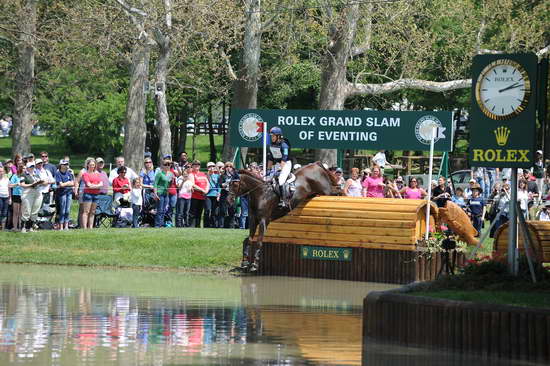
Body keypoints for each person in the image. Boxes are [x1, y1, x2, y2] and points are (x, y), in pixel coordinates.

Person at [20, 161, 43, 233]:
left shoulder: (36, 175)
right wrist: (31, 185)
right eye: (31, 167)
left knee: (35, 210)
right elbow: (22, 184)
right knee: (27, 210)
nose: (32, 168)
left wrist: (41, 182)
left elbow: (40, 183)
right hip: (28, 192)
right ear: (27, 168)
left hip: (37, 192)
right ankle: (23, 228)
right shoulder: (24, 175)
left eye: (33, 166)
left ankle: (31, 227)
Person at [81, 159, 103, 229]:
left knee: (93, 212)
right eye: (90, 165)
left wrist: (93, 186)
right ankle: (84, 228)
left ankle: (90, 227)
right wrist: (97, 186)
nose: (92, 166)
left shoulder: (97, 174)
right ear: (87, 165)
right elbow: (88, 185)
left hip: (96, 195)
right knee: (86, 211)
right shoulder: (85, 174)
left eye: (93, 165)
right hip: (88, 195)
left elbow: (101, 184)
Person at [153, 159, 174, 228]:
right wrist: (155, 194)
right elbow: (155, 184)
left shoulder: (170, 174)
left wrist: (172, 181)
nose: (167, 166)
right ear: (162, 166)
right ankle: (157, 225)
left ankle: (161, 224)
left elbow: (169, 185)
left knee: (164, 210)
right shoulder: (159, 173)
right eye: (165, 164)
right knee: (160, 210)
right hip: (160, 193)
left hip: (166, 193)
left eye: (169, 164)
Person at [55, 160, 74, 230]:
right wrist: (68, 183)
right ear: (61, 165)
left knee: (67, 210)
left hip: (69, 193)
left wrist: (65, 183)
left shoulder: (69, 173)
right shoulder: (58, 173)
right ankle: (61, 226)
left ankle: (66, 226)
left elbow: (73, 183)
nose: (66, 165)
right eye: (64, 164)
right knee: (62, 210)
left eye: (67, 164)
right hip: (62, 194)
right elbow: (61, 185)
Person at [189, 160, 209, 228]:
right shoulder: (191, 174)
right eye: (195, 164)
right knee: (193, 213)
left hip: (203, 197)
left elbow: (207, 183)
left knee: (199, 213)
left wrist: (206, 190)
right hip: (194, 196)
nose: (197, 165)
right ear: (192, 166)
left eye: (198, 164)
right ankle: (192, 226)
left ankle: (198, 226)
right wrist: (202, 190)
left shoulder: (203, 174)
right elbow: (193, 184)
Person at [218, 162, 236, 228]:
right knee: (222, 211)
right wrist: (226, 183)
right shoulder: (222, 176)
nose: (229, 168)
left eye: (230, 166)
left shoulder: (234, 176)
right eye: (227, 166)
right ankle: (221, 226)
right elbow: (220, 185)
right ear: (225, 168)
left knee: (232, 211)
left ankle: (231, 226)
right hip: (224, 195)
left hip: (232, 195)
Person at [204, 162, 221, 228]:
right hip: (208, 195)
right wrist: (209, 174)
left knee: (215, 211)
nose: (211, 168)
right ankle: (206, 225)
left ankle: (214, 225)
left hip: (215, 195)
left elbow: (219, 185)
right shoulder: (206, 175)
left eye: (213, 166)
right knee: (207, 210)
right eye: (209, 166)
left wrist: (219, 194)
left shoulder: (217, 176)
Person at [9, 163, 24, 231]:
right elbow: (10, 185)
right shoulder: (14, 176)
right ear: (17, 168)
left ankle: (21, 226)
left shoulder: (24, 176)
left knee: (21, 212)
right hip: (16, 195)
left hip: (23, 195)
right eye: (20, 167)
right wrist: (16, 184)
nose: (21, 168)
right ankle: (15, 227)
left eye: (22, 167)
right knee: (16, 212)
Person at [0, 166, 10, 230]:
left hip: (6, 197)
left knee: (5, 212)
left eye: (1, 171)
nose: (1, 172)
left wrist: (10, 198)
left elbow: (9, 188)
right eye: (0, 171)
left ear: (4, 172)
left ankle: (3, 228)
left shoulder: (7, 179)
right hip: (0, 197)